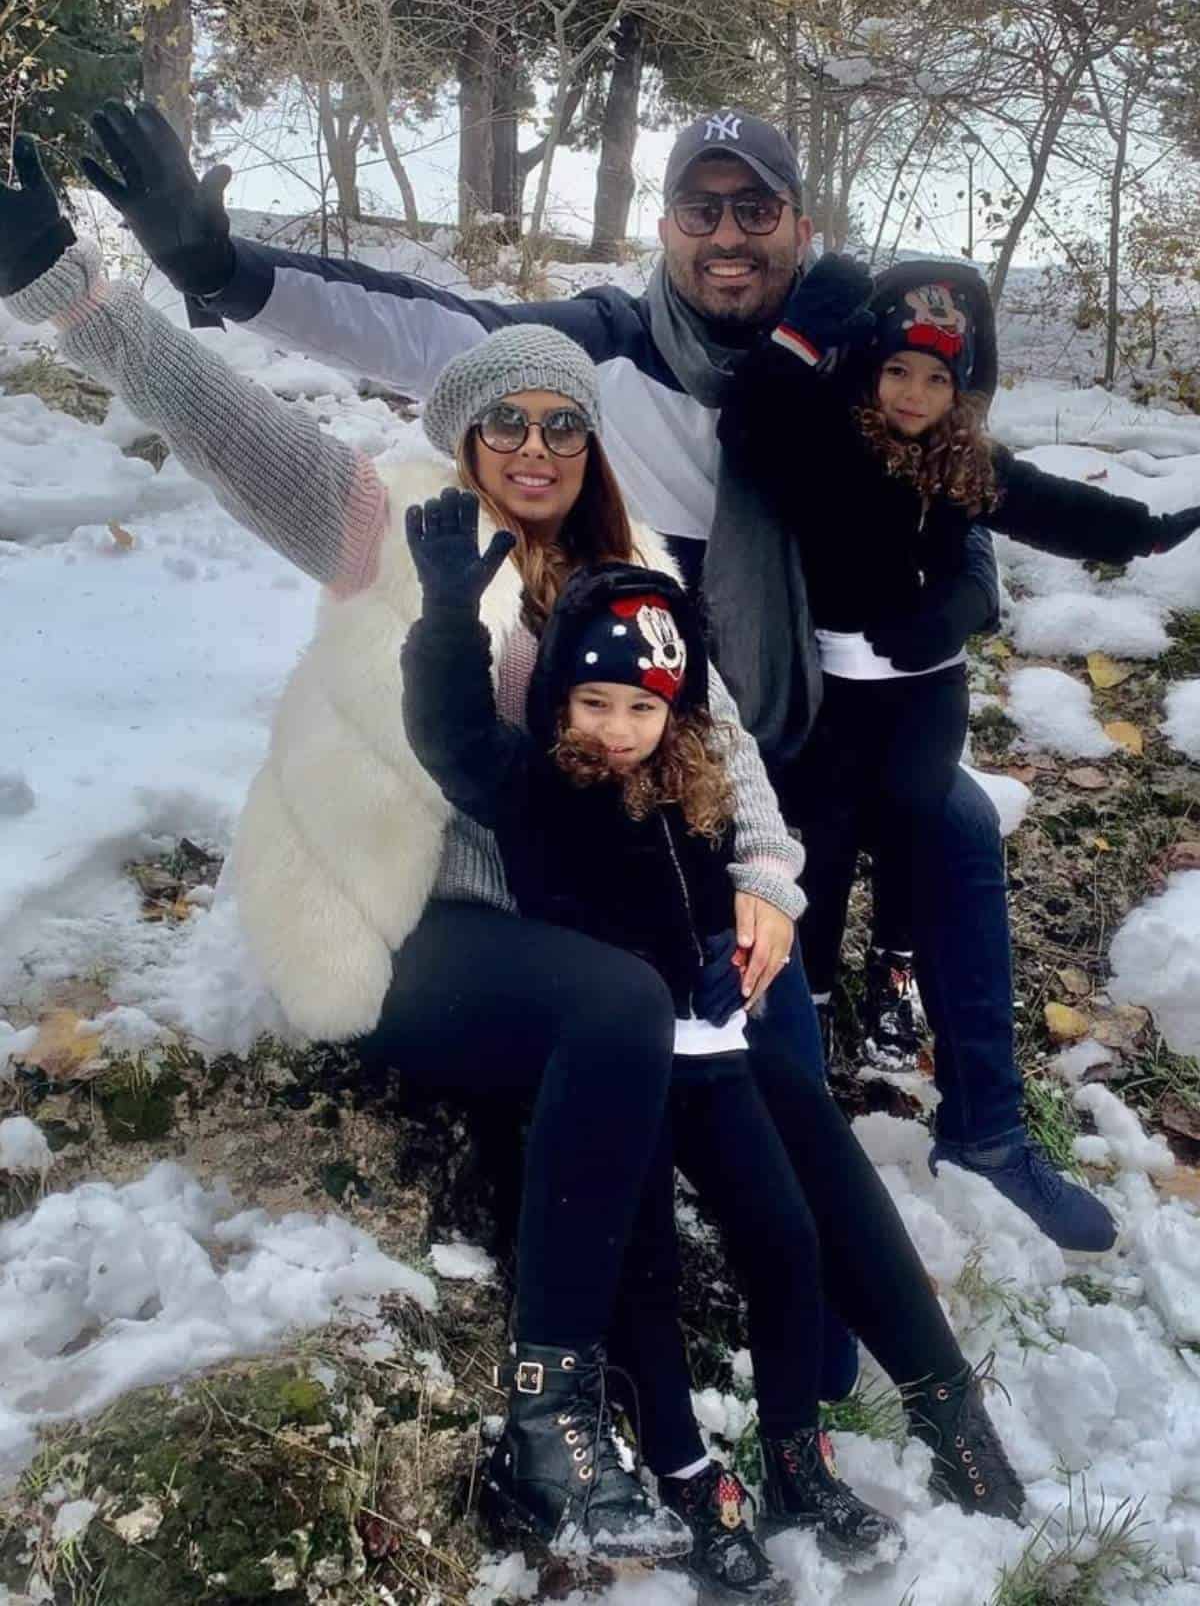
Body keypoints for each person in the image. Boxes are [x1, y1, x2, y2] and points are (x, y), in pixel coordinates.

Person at [61, 99, 1108, 1249]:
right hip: (649, 726)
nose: (728, 236)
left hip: (809, 715)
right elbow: (431, 332)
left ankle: (989, 1133)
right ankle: (751, 1171)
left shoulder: (851, 365)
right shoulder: (606, 352)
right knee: (715, 932)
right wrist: (224, 268)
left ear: (799, 226)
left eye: (755, 209)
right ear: (664, 226)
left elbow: (958, 477)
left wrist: (966, 594)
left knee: (952, 820)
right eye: (701, 209)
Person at [399, 507, 1024, 1589]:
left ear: (674, 709)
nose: (613, 729)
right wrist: (446, 614)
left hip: (714, 1050)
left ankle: (794, 1460)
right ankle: (691, 1481)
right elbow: (454, 733)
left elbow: (761, 838)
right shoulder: (540, 785)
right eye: (591, 703)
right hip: (623, 1066)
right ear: (557, 701)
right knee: (639, 1270)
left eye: (638, 707)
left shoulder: (691, 779)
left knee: (783, 1242)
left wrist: (742, 932)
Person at [722, 260, 1200, 1235]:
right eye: (900, 372)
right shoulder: (829, 438)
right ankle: (804, 1012)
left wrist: (1145, 533)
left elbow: (1043, 503)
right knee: (819, 829)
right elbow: (754, 424)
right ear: (871, 367)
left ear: (964, 391)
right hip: (829, 692)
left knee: (919, 815)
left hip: (926, 691)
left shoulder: (962, 462)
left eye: (940, 381)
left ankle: (896, 974)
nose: (915, 397)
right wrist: (801, 333)